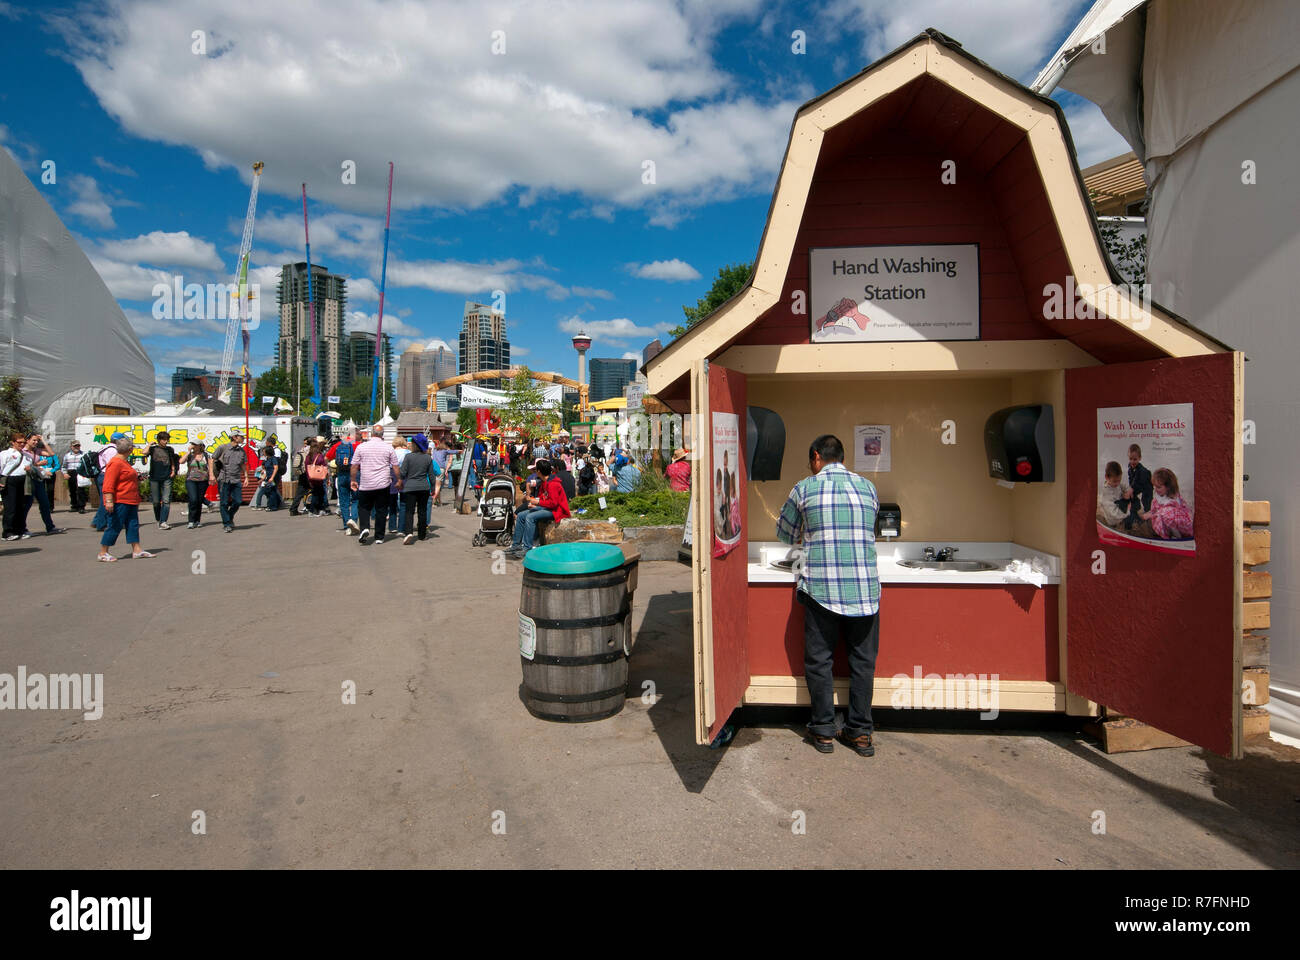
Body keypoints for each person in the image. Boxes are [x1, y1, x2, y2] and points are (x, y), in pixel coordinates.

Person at [776, 434, 880, 758]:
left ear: (816, 457)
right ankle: (860, 733)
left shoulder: (805, 488)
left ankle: (823, 731)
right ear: (843, 458)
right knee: (862, 663)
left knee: (820, 661)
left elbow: (784, 534)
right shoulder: (868, 487)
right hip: (864, 589)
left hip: (821, 588)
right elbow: (870, 529)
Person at [97, 436, 155, 561]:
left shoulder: (123, 462)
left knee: (133, 525)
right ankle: (103, 552)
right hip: (120, 500)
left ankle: (137, 550)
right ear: (130, 449)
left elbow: (125, 477)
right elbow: (108, 484)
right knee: (114, 525)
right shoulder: (115, 463)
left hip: (130, 499)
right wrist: (109, 501)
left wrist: (137, 477)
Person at [506, 458, 569, 559]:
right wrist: (536, 504)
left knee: (530, 517)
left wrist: (538, 502)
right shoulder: (545, 482)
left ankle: (527, 548)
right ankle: (516, 545)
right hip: (547, 507)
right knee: (522, 515)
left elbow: (553, 503)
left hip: (556, 510)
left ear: (539, 471)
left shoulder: (553, 484)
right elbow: (543, 498)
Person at [350, 423, 400, 544]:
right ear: (382, 435)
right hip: (383, 483)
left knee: (364, 507)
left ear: (371, 433)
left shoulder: (361, 447)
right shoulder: (388, 448)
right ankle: (379, 536)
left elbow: (354, 466)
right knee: (381, 509)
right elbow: (395, 466)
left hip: (366, 483)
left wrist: (353, 480)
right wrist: (399, 479)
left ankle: (365, 527)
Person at [399, 434, 438, 544]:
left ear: (414, 445)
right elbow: (431, 476)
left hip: (410, 488)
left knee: (409, 511)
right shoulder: (427, 458)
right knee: (422, 511)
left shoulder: (408, 457)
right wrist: (433, 488)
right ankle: (422, 535)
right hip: (424, 488)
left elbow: (402, 473)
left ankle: (409, 532)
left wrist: (399, 478)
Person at [209, 430, 249, 533]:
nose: (243, 438)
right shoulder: (223, 448)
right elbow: (212, 459)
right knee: (224, 502)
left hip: (236, 479)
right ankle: (226, 523)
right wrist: (212, 475)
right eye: (241, 436)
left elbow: (243, 464)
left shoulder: (241, 451)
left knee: (238, 501)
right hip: (224, 479)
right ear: (235, 437)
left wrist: (246, 477)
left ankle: (229, 516)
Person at [1139, 467, 1194, 540]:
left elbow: (1170, 513)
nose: (1156, 489)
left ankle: (1177, 537)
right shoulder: (1159, 497)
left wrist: (1152, 514)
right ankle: (1165, 534)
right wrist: (1151, 513)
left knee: (1166, 515)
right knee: (1156, 519)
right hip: (1165, 522)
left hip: (1179, 523)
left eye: (1158, 487)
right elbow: (1155, 509)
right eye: (1155, 486)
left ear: (1168, 487)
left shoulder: (1173, 498)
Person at [25, 434, 64, 535]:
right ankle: (22, 528)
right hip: (27, 480)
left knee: (45, 504)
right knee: (27, 505)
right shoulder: (23, 451)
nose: (35, 442)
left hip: (38, 479)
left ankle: (50, 527)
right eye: (33, 440)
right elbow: (25, 467)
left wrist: (43, 440)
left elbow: (51, 454)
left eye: (37, 441)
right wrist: (38, 464)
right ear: (27, 440)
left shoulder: (37, 451)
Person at [90, 433, 126, 531]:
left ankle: (96, 521)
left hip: (102, 475)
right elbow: (113, 465)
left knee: (104, 500)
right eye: (123, 440)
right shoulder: (112, 450)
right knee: (106, 501)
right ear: (118, 441)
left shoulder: (106, 447)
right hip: (106, 475)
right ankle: (101, 524)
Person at [1, 433, 34, 540]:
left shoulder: (27, 455)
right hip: (10, 480)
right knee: (10, 507)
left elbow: (32, 467)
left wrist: (31, 469)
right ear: (13, 442)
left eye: (24, 442)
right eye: (19, 442)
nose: (22, 444)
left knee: (21, 506)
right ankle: (7, 532)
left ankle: (19, 530)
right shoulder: (5, 454)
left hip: (23, 481)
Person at [145, 430, 179, 529]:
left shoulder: (169, 449)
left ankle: (163, 521)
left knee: (166, 500)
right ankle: (158, 519)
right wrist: (149, 444)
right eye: (164, 439)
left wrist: (173, 470)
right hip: (154, 477)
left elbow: (172, 460)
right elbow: (144, 452)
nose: (166, 441)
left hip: (167, 477)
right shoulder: (153, 449)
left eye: (167, 439)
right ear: (159, 440)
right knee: (156, 501)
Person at [329, 431, 359, 534]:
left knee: (344, 501)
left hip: (341, 474)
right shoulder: (357, 445)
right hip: (355, 474)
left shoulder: (338, 445)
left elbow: (327, 457)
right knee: (356, 499)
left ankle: (347, 524)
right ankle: (353, 521)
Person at [181, 442, 209, 528]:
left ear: (200, 446)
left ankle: (197, 520)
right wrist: (188, 451)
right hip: (191, 480)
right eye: (192, 444)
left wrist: (211, 476)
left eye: (195, 444)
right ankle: (191, 521)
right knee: (193, 499)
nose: (193, 446)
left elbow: (210, 465)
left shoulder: (205, 455)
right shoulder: (190, 455)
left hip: (203, 480)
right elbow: (181, 461)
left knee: (199, 500)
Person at [62, 440, 89, 513]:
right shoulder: (67, 456)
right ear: (71, 447)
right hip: (71, 472)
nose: (77, 447)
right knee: (72, 490)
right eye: (75, 446)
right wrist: (65, 473)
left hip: (80, 473)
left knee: (81, 490)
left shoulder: (83, 454)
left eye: (78, 446)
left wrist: (86, 473)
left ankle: (81, 507)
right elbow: (64, 466)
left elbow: (87, 465)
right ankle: (74, 506)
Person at [305, 439, 330, 516]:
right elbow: (324, 467)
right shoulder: (319, 456)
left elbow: (306, 467)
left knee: (317, 493)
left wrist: (308, 477)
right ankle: (313, 510)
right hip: (319, 477)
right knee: (319, 494)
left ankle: (319, 509)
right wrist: (327, 478)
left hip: (311, 477)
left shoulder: (308, 457)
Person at [290, 437, 312, 515]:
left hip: (302, 472)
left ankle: (293, 509)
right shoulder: (312, 451)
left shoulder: (301, 450)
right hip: (310, 473)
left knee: (299, 492)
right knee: (314, 490)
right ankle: (312, 508)